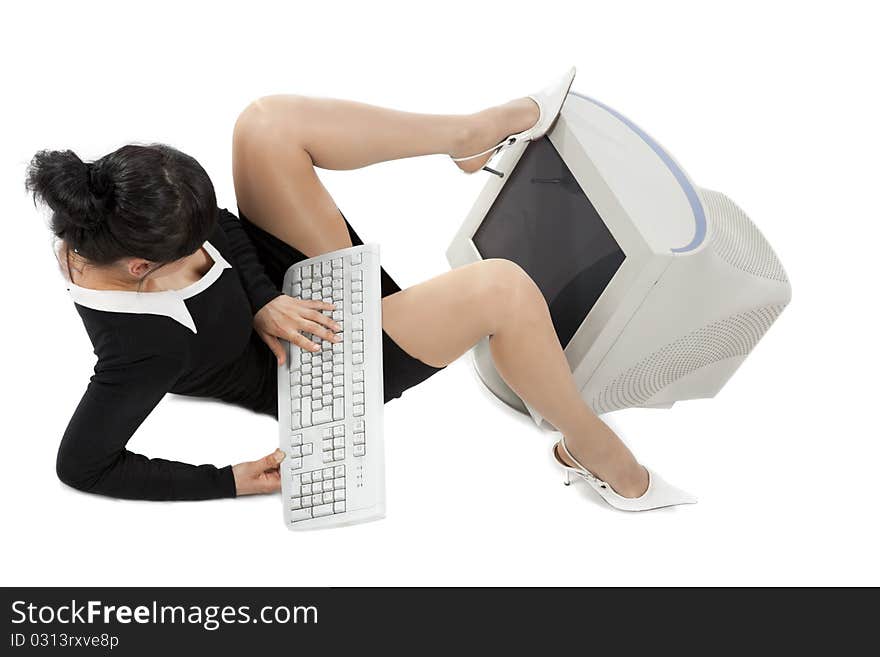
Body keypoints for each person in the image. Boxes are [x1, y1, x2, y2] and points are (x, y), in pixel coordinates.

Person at [27, 70, 695, 511]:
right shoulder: (139, 350)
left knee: (263, 123)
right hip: (315, 358)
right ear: (143, 268)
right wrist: (226, 481)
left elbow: (221, 228)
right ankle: (594, 450)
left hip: (285, 294)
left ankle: (465, 136)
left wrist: (260, 298)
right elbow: (84, 465)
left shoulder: (106, 214)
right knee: (503, 289)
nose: (202, 236)